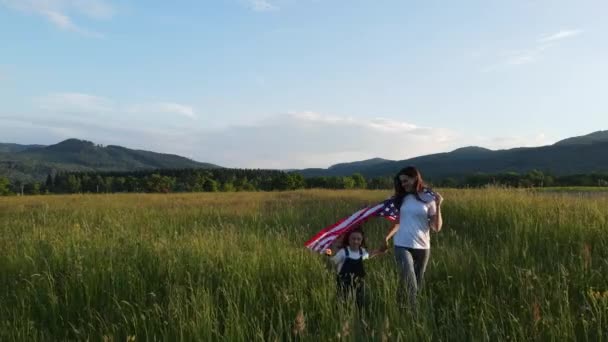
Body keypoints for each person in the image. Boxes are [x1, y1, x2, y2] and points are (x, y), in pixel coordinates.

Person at [382, 166, 443, 312]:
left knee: (417, 281)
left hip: (423, 247)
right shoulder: (400, 199)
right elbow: (398, 222)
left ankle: (400, 308)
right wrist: (386, 238)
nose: (403, 184)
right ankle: (415, 316)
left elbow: (436, 227)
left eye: (406, 180)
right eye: (401, 182)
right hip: (402, 244)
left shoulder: (429, 198)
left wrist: (439, 205)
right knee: (411, 282)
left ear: (415, 178)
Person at [325, 227, 384, 310]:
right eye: (353, 239)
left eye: (358, 239)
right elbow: (333, 261)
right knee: (342, 300)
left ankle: (358, 314)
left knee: (358, 300)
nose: (356, 241)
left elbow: (369, 255)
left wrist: (379, 251)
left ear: (361, 241)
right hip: (343, 282)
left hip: (359, 282)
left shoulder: (361, 252)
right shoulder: (344, 252)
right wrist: (328, 253)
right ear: (348, 239)